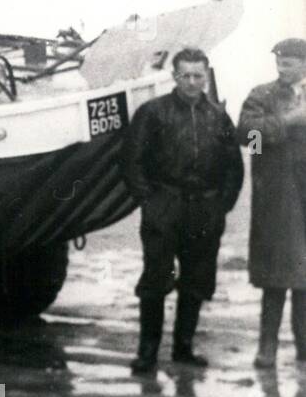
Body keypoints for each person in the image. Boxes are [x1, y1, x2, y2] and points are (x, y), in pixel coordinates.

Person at [122, 48, 244, 374]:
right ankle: (147, 352)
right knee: (156, 279)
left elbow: (235, 165)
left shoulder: (219, 117)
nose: (192, 82)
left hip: (205, 208)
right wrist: (150, 200)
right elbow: (132, 161)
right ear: (174, 76)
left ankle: (183, 348)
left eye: (198, 76)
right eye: (185, 75)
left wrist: (221, 205)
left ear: (207, 76)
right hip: (165, 204)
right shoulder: (152, 112)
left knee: (196, 280)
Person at [236, 37, 306, 367]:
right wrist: (289, 121)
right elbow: (248, 138)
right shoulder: (261, 95)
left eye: (290, 61)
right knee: (277, 276)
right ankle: (267, 348)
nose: (282, 65)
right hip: (279, 198)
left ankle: (305, 349)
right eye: (279, 59)